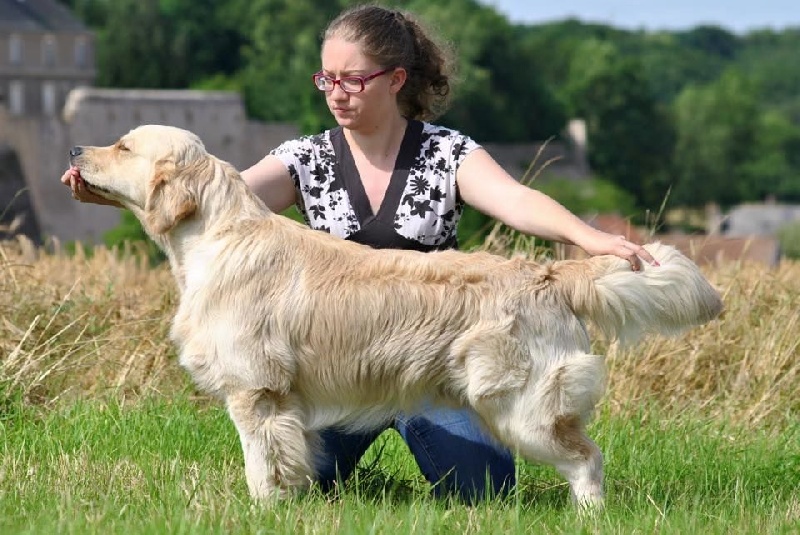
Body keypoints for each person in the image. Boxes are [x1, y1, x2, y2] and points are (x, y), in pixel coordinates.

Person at [62, 4, 657, 502]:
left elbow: (514, 200)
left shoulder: (445, 153)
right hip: (338, 378)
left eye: (353, 79)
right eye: (327, 79)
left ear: (396, 79)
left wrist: (589, 238)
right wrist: (120, 195)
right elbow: (212, 205)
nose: (336, 93)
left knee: (480, 493)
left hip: (436, 356)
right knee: (308, 480)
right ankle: (296, 502)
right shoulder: (305, 158)